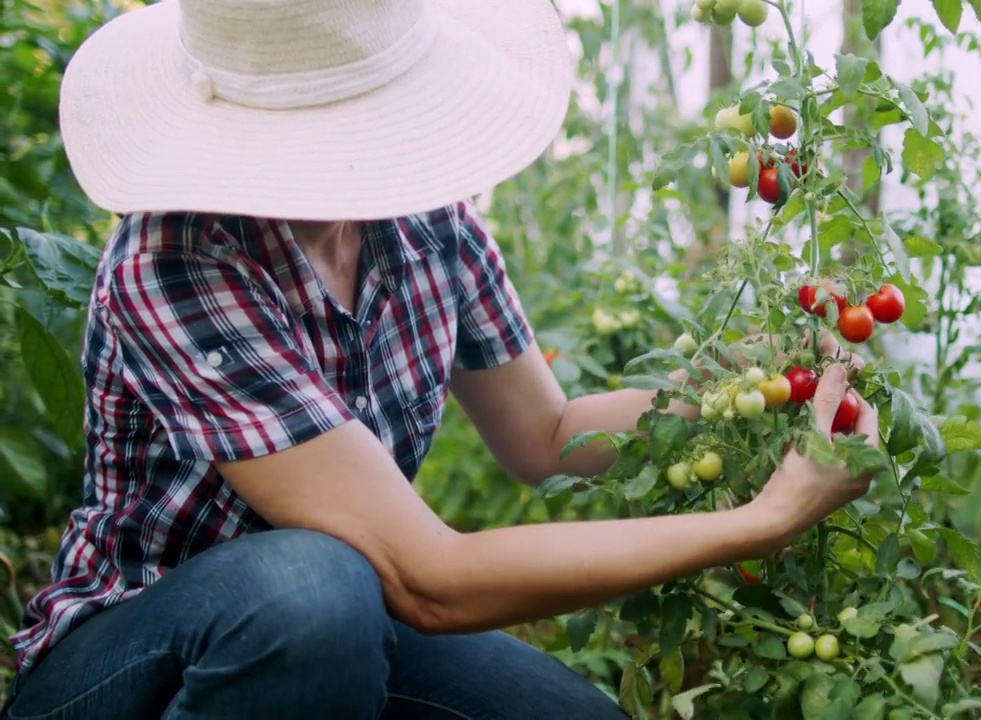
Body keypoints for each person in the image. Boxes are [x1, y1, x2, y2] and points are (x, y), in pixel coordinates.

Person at [1, 1, 880, 718]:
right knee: (314, 591)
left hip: (346, 622)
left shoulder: (426, 223)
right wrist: (763, 520)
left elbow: (548, 434)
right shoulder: (175, 260)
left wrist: (746, 382)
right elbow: (428, 581)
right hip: (132, 656)